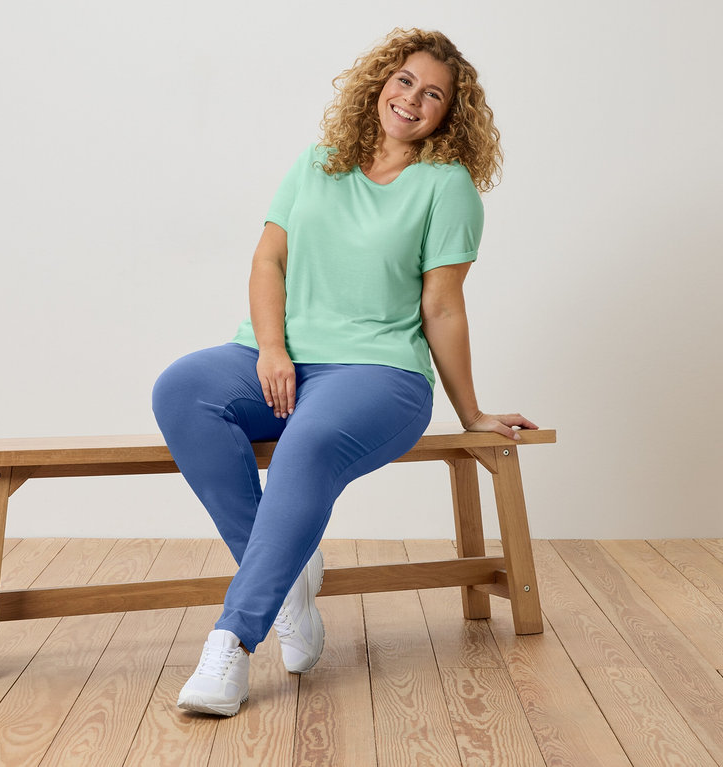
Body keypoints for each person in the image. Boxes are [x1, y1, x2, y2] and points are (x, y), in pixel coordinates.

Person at [151, 27, 537, 717]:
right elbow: (268, 260)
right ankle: (290, 573)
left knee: (308, 441)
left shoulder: (447, 188)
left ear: (450, 114)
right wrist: (270, 347)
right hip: (279, 358)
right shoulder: (318, 161)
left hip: (379, 371)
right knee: (183, 388)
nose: (413, 99)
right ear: (381, 82)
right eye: (405, 81)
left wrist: (471, 412)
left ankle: (233, 642)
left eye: (434, 95)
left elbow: (442, 308)